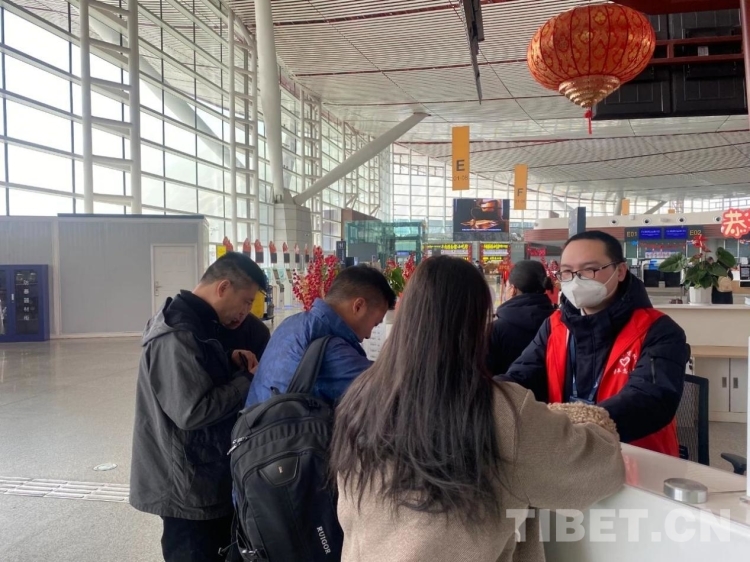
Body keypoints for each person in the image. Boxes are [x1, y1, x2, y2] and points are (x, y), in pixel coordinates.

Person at [330, 256, 625, 562]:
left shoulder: (361, 396)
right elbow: (599, 471)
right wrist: (586, 418)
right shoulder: (501, 411)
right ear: (475, 323)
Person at [130, 252, 268, 562]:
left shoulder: (199, 324)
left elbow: (195, 377)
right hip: (187, 490)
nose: (246, 312)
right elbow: (192, 411)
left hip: (202, 477)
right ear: (223, 287)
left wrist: (227, 359)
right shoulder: (177, 334)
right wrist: (246, 380)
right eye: (246, 301)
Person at [502, 231, 687, 456]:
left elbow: (651, 400)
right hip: (567, 457)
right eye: (567, 272)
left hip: (638, 461)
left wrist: (576, 420)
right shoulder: (554, 325)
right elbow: (521, 376)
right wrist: (491, 396)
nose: (576, 280)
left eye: (589, 270)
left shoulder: (658, 330)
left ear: (620, 271)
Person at [246, 264, 396, 407]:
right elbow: (388, 391)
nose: (369, 335)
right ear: (358, 306)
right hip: (286, 425)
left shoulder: (290, 323)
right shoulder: (329, 346)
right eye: (374, 324)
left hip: (256, 421)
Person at [487, 260, 555, 376]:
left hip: (506, 387)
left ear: (512, 290)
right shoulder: (557, 323)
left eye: (506, 286)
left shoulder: (495, 329)